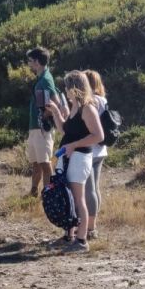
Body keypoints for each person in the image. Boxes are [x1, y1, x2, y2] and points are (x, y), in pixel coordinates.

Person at [45, 70, 104, 253]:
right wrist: (55, 111)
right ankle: (68, 235)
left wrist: (74, 145)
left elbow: (98, 136)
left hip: (80, 158)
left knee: (78, 199)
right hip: (69, 156)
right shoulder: (75, 107)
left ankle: (81, 240)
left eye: (67, 86)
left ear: (74, 87)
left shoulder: (88, 108)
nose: (66, 90)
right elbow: (65, 130)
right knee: (68, 198)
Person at [25, 47, 61, 196]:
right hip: (35, 128)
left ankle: (48, 195)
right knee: (36, 162)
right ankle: (33, 191)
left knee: (45, 163)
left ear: (38, 62)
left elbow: (55, 101)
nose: (29, 64)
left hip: (41, 130)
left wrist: (45, 116)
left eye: (30, 61)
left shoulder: (46, 79)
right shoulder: (41, 78)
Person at [83, 70, 107, 240]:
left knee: (88, 190)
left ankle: (91, 228)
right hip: (101, 150)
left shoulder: (91, 102)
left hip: (91, 149)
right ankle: (94, 224)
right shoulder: (103, 100)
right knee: (95, 188)